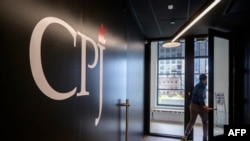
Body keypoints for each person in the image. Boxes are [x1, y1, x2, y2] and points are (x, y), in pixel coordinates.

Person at [181, 74, 213, 141]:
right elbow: (200, 96)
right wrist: (204, 106)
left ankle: (185, 136)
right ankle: (205, 138)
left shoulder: (196, 85)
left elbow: (193, 96)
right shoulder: (202, 86)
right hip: (199, 106)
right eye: (206, 79)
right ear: (205, 79)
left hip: (193, 105)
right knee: (205, 122)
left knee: (191, 122)